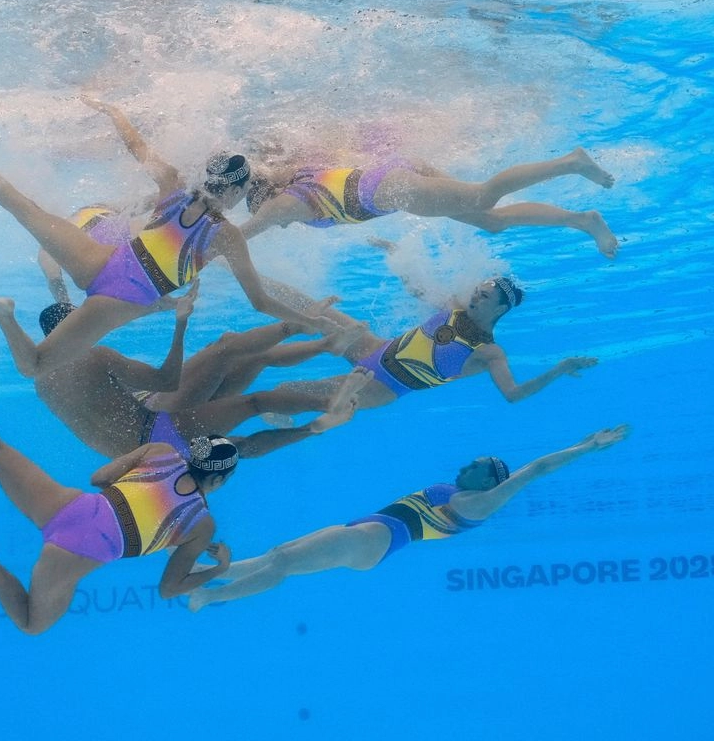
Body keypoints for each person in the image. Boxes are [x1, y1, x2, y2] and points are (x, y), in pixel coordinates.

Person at [0, 99, 337, 377]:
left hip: (99, 260)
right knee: (34, 366)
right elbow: (260, 301)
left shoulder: (172, 187)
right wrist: (309, 320)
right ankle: (5, 315)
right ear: (235, 192)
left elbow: (136, 146)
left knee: (23, 208)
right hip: (119, 301)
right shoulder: (226, 235)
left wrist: (113, 112)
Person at [0, 341, 240, 634]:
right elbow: (168, 589)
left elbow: (98, 479)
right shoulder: (202, 525)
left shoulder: (160, 452)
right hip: (75, 554)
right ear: (218, 480)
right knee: (31, 624)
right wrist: (219, 568)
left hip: (70, 505)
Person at [187, 425, 630, 611]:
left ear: (489, 478)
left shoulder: (478, 503)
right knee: (280, 552)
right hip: (368, 530)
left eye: (473, 466)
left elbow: (535, 470)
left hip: (376, 539)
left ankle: (210, 598)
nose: (463, 468)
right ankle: (207, 574)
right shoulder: (458, 490)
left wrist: (588, 446)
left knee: (284, 564)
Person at [0, 280, 373, 462]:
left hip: (136, 451)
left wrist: (55, 284)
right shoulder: (93, 355)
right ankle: (313, 343)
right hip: (155, 428)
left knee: (237, 440)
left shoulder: (44, 377)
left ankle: (317, 414)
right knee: (234, 360)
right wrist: (181, 322)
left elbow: (62, 321)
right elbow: (168, 382)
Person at [262, 273, 597, 410]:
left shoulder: (490, 353)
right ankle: (253, 277)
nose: (475, 297)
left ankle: (276, 412)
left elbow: (514, 395)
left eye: (483, 297)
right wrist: (396, 256)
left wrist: (560, 368)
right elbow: (418, 290)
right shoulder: (455, 306)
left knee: (286, 393)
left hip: (383, 386)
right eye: (477, 291)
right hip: (375, 348)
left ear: (500, 308)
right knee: (311, 307)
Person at [237, 147, 619, 258]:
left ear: (266, 200)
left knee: (481, 195)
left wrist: (184, 273)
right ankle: (582, 220)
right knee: (491, 220)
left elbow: (236, 238)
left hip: (396, 190)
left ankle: (569, 163)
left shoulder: (285, 204)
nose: (282, 224)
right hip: (394, 174)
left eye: (266, 212)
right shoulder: (297, 175)